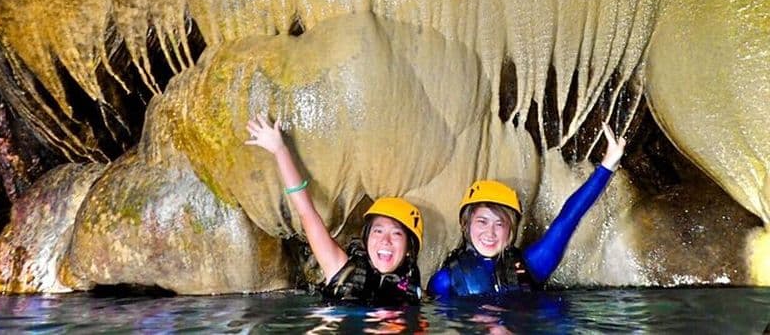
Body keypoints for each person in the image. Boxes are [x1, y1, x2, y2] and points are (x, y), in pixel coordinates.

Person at [428, 123, 625, 300]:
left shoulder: (534, 265)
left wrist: (606, 167)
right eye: (482, 222)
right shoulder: (445, 282)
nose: (490, 232)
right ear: (466, 225)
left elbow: (568, 218)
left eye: (500, 224)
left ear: (511, 231)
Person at [246, 114, 423, 305]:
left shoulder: (411, 291)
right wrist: (280, 150)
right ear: (366, 238)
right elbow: (307, 213)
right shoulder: (340, 268)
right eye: (378, 231)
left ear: (408, 249)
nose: (385, 241)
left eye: (396, 234)